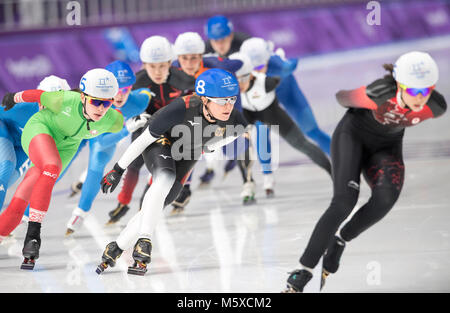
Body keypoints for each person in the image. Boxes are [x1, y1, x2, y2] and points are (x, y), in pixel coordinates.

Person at [285, 51, 447, 292]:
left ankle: (340, 240)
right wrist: (363, 98)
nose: (420, 98)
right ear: (400, 85)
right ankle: (303, 270)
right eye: (413, 91)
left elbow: (422, 105)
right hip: (352, 137)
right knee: (343, 202)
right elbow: (342, 98)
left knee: (385, 199)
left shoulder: (436, 106)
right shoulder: (379, 93)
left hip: (385, 147)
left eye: (426, 90)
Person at [96, 68, 249, 276]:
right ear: (204, 100)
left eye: (231, 99)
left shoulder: (236, 120)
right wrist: (118, 169)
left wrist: (209, 146)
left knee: (159, 203)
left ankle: (116, 247)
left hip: (190, 151)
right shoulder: (180, 109)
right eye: (221, 101)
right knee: (164, 178)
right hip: (160, 142)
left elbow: (234, 134)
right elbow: (142, 140)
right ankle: (145, 240)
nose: (228, 106)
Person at [0, 68, 124, 269]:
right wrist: (14, 97)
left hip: (66, 146)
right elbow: (39, 95)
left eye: (106, 103)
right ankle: (33, 235)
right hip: (40, 129)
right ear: (82, 97)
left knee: (21, 200)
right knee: (51, 167)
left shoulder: (113, 121)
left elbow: (123, 120)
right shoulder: (64, 100)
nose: (101, 108)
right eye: (96, 101)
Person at [106, 35, 196, 225]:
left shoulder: (184, 79)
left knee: (178, 158)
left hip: (173, 130)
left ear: (170, 63)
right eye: (152, 66)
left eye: (162, 66)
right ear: (143, 65)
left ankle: (149, 204)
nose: (157, 71)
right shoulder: (138, 81)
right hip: (146, 127)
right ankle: (123, 203)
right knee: (133, 164)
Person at [65, 60, 152, 235]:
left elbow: (147, 93)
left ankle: (81, 212)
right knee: (61, 165)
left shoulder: (138, 102)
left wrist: (151, 95)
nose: (120, 96)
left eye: (126, 90)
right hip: (79, 126)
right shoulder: (99, 105)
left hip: (102, 132)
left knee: (96, 166)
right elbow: (102, 141)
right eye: (117, 90)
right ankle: (28, 214)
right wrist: (128, 128)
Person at [230, 52, 331, 179]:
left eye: (243, 79)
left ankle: (332, 171)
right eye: (235, 79)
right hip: (248, 113)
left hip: (269, 112)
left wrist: (286, 66)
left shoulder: (265, 81)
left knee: (301, 143)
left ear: (251, 75)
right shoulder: (227, 85)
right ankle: (250, 182)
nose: (239, 84)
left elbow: (283, 75)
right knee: (239, 142)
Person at [0, 75, 70, 212]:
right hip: (4, 131)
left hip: (24, 146)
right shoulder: (22, 109)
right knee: (8, 165)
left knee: (7, 180)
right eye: (45, 103)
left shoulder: (65, 122)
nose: (51, 110)